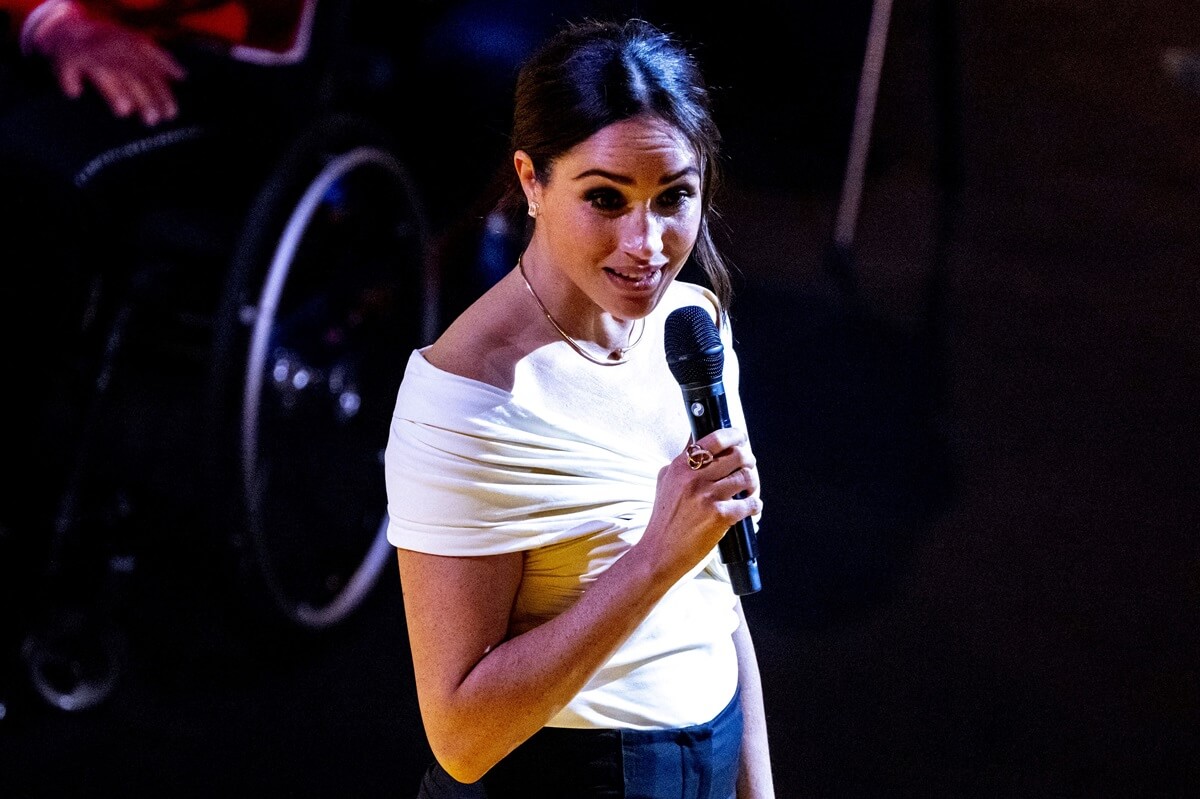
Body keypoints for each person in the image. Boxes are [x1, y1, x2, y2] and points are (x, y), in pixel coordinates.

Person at [383, 17, 775, 798]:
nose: (649, 243)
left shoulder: (691, 324)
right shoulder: (467, 398)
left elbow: (720, 602)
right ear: (530, 180)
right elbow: (461, 737)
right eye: (606, 197)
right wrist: (658, 555)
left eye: (675, 197)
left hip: (713, 745)